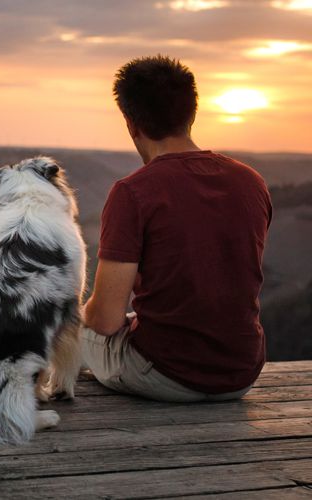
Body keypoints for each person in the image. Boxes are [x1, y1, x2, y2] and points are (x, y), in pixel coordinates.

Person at [81, 55, 272, 402]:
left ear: (130, 123)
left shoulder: (133, 192)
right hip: (242, 374)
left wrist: (83, 313)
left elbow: (107, 321)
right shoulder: (251, 182)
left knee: (75, 328)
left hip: (167, 375)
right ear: (192, 114)